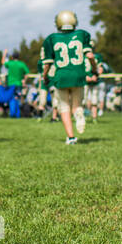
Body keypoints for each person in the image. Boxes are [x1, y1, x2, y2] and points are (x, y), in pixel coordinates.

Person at [40, 10, 98, 144]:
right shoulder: (82, 34)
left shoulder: (51, 38)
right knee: (77, 105)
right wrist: (94, 69)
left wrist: (45, 76)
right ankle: (78, 112)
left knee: (64, 107)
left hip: (62, 76)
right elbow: (90, 56)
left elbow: (47, 63)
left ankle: (71, 137)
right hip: (78, 75)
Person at [0, 50, 26, 119]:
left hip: (11, 84)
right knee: (17, 98)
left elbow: (3, 62)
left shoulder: (10, 63)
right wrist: (24, 80)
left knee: (12, 99)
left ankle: (12, 114)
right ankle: (18, 115)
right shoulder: (22, 64)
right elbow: (26, 73)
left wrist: (4, 53)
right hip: (19, 84)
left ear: (12, 57)